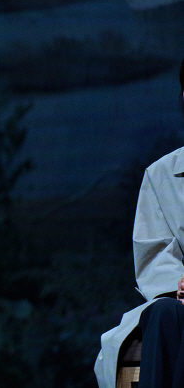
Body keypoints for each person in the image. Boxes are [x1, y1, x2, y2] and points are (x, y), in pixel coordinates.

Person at [95, 59, 184, 388]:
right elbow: (156, 256)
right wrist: (179, 286)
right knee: (162, 313)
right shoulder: (161, 174)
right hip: (181, 297)